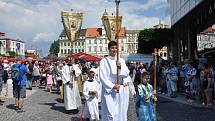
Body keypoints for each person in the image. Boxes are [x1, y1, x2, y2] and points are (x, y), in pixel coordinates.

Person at [99, 41, 130, 121]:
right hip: (110, 90)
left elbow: (126, 73)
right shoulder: (104, 61)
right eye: (112, 48)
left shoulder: (121, 60)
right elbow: (103, 77)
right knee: (111, 114)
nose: (114, 49)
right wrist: (112, 86)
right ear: (108, 49)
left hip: (120, 89)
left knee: (120, 112)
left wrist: (119, 67)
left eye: (116, 48)